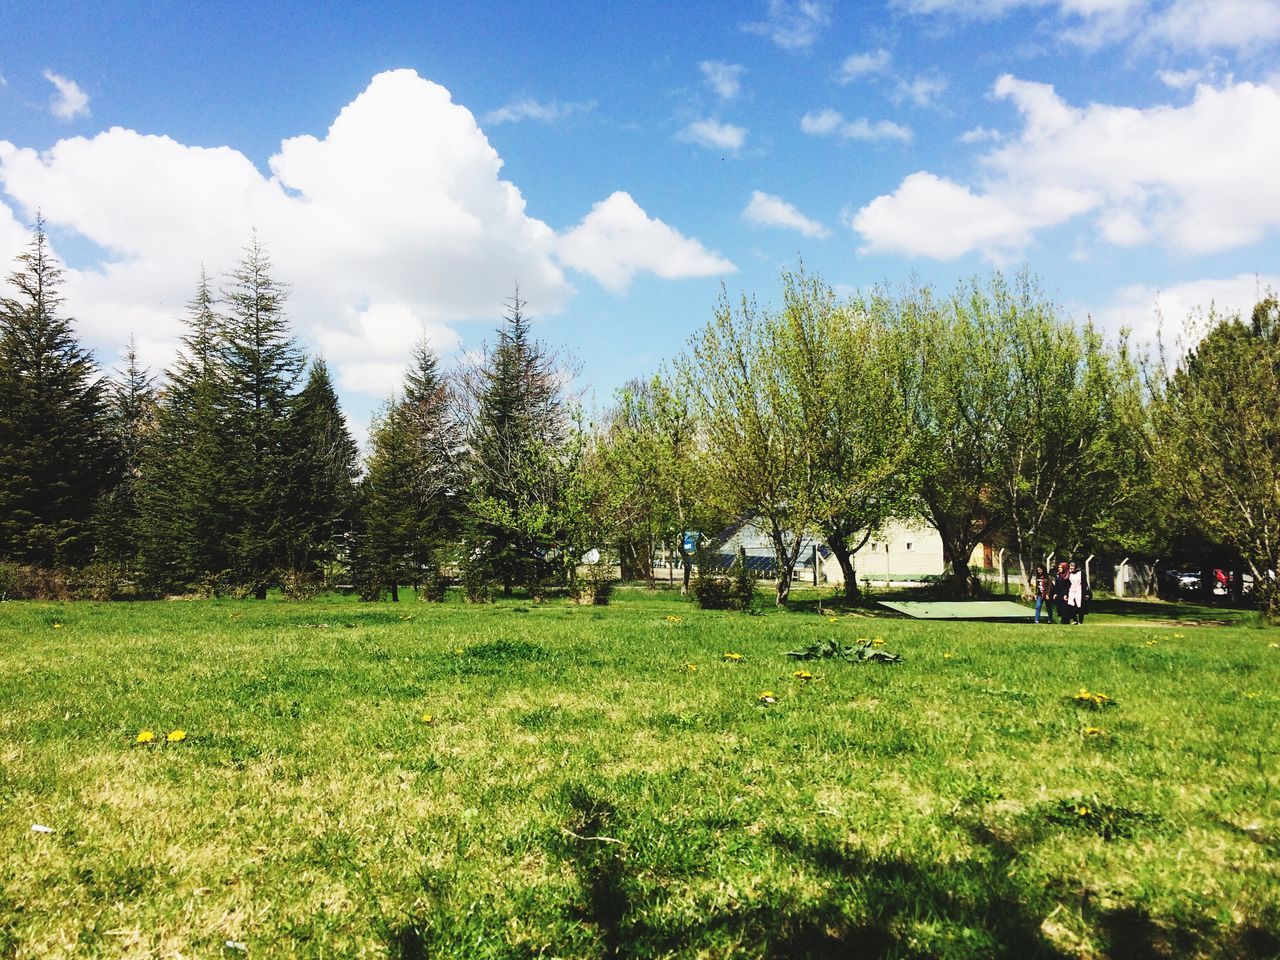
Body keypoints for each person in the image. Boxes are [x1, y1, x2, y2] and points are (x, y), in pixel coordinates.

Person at [1067, 560, 1084, 624]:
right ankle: (1075, 620)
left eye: (1072, 566)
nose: (1071, 567)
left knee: (1079, 605)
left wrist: (1086, 593)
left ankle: (1080, 621)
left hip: (1079, 590)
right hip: (1072, 590)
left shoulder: (1081, 573)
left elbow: (1084, 583)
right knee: (1070, 604)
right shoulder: (1069, 574)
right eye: (1070, 566)